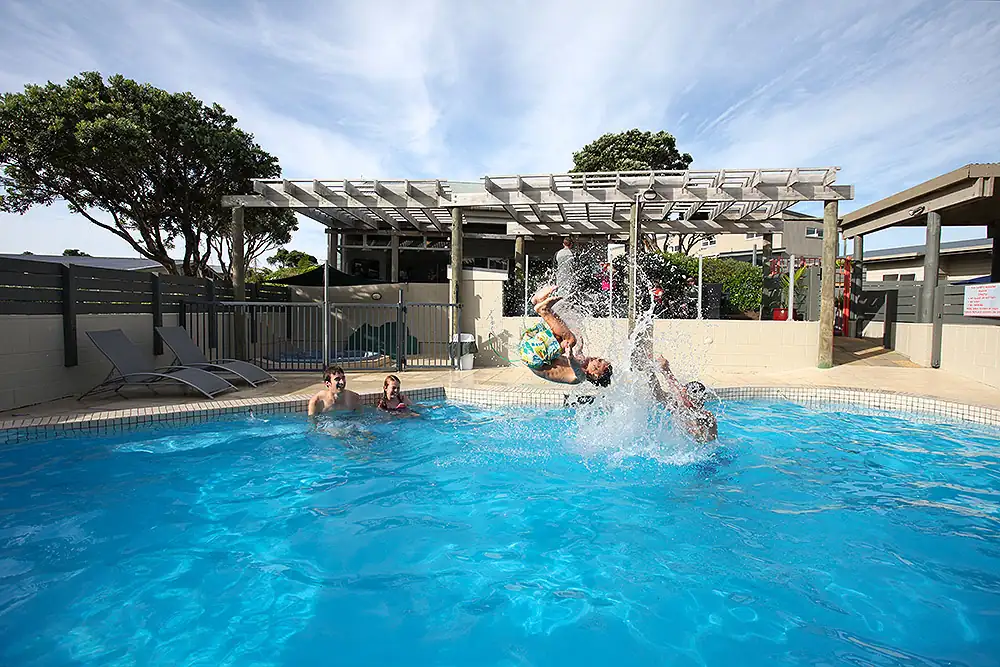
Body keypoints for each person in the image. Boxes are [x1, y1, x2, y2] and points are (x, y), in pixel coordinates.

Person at [519, 285, 613, 386]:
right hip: (531, 352)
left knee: (571, 340)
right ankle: (539, 301)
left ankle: (544, 310)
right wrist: (579, 340)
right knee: (562, 336)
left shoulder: (580, 378)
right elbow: (578, 351)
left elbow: (576, 368)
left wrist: (571, 357)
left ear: (595, 375)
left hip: (534, 358)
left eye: (597, 364)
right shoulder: (580, 360)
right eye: (599, 358)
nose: (596, 358)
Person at [649, 356, 718, 443]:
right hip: (696, 440)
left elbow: (679, 390)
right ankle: (649, 372)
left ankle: (649, 371)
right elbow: (678, 390)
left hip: (699, 443)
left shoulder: (706, 417)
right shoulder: (684, 407)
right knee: (659, 395)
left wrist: (666, 369)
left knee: (660, 396)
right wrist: (665, 370)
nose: (681, 394)